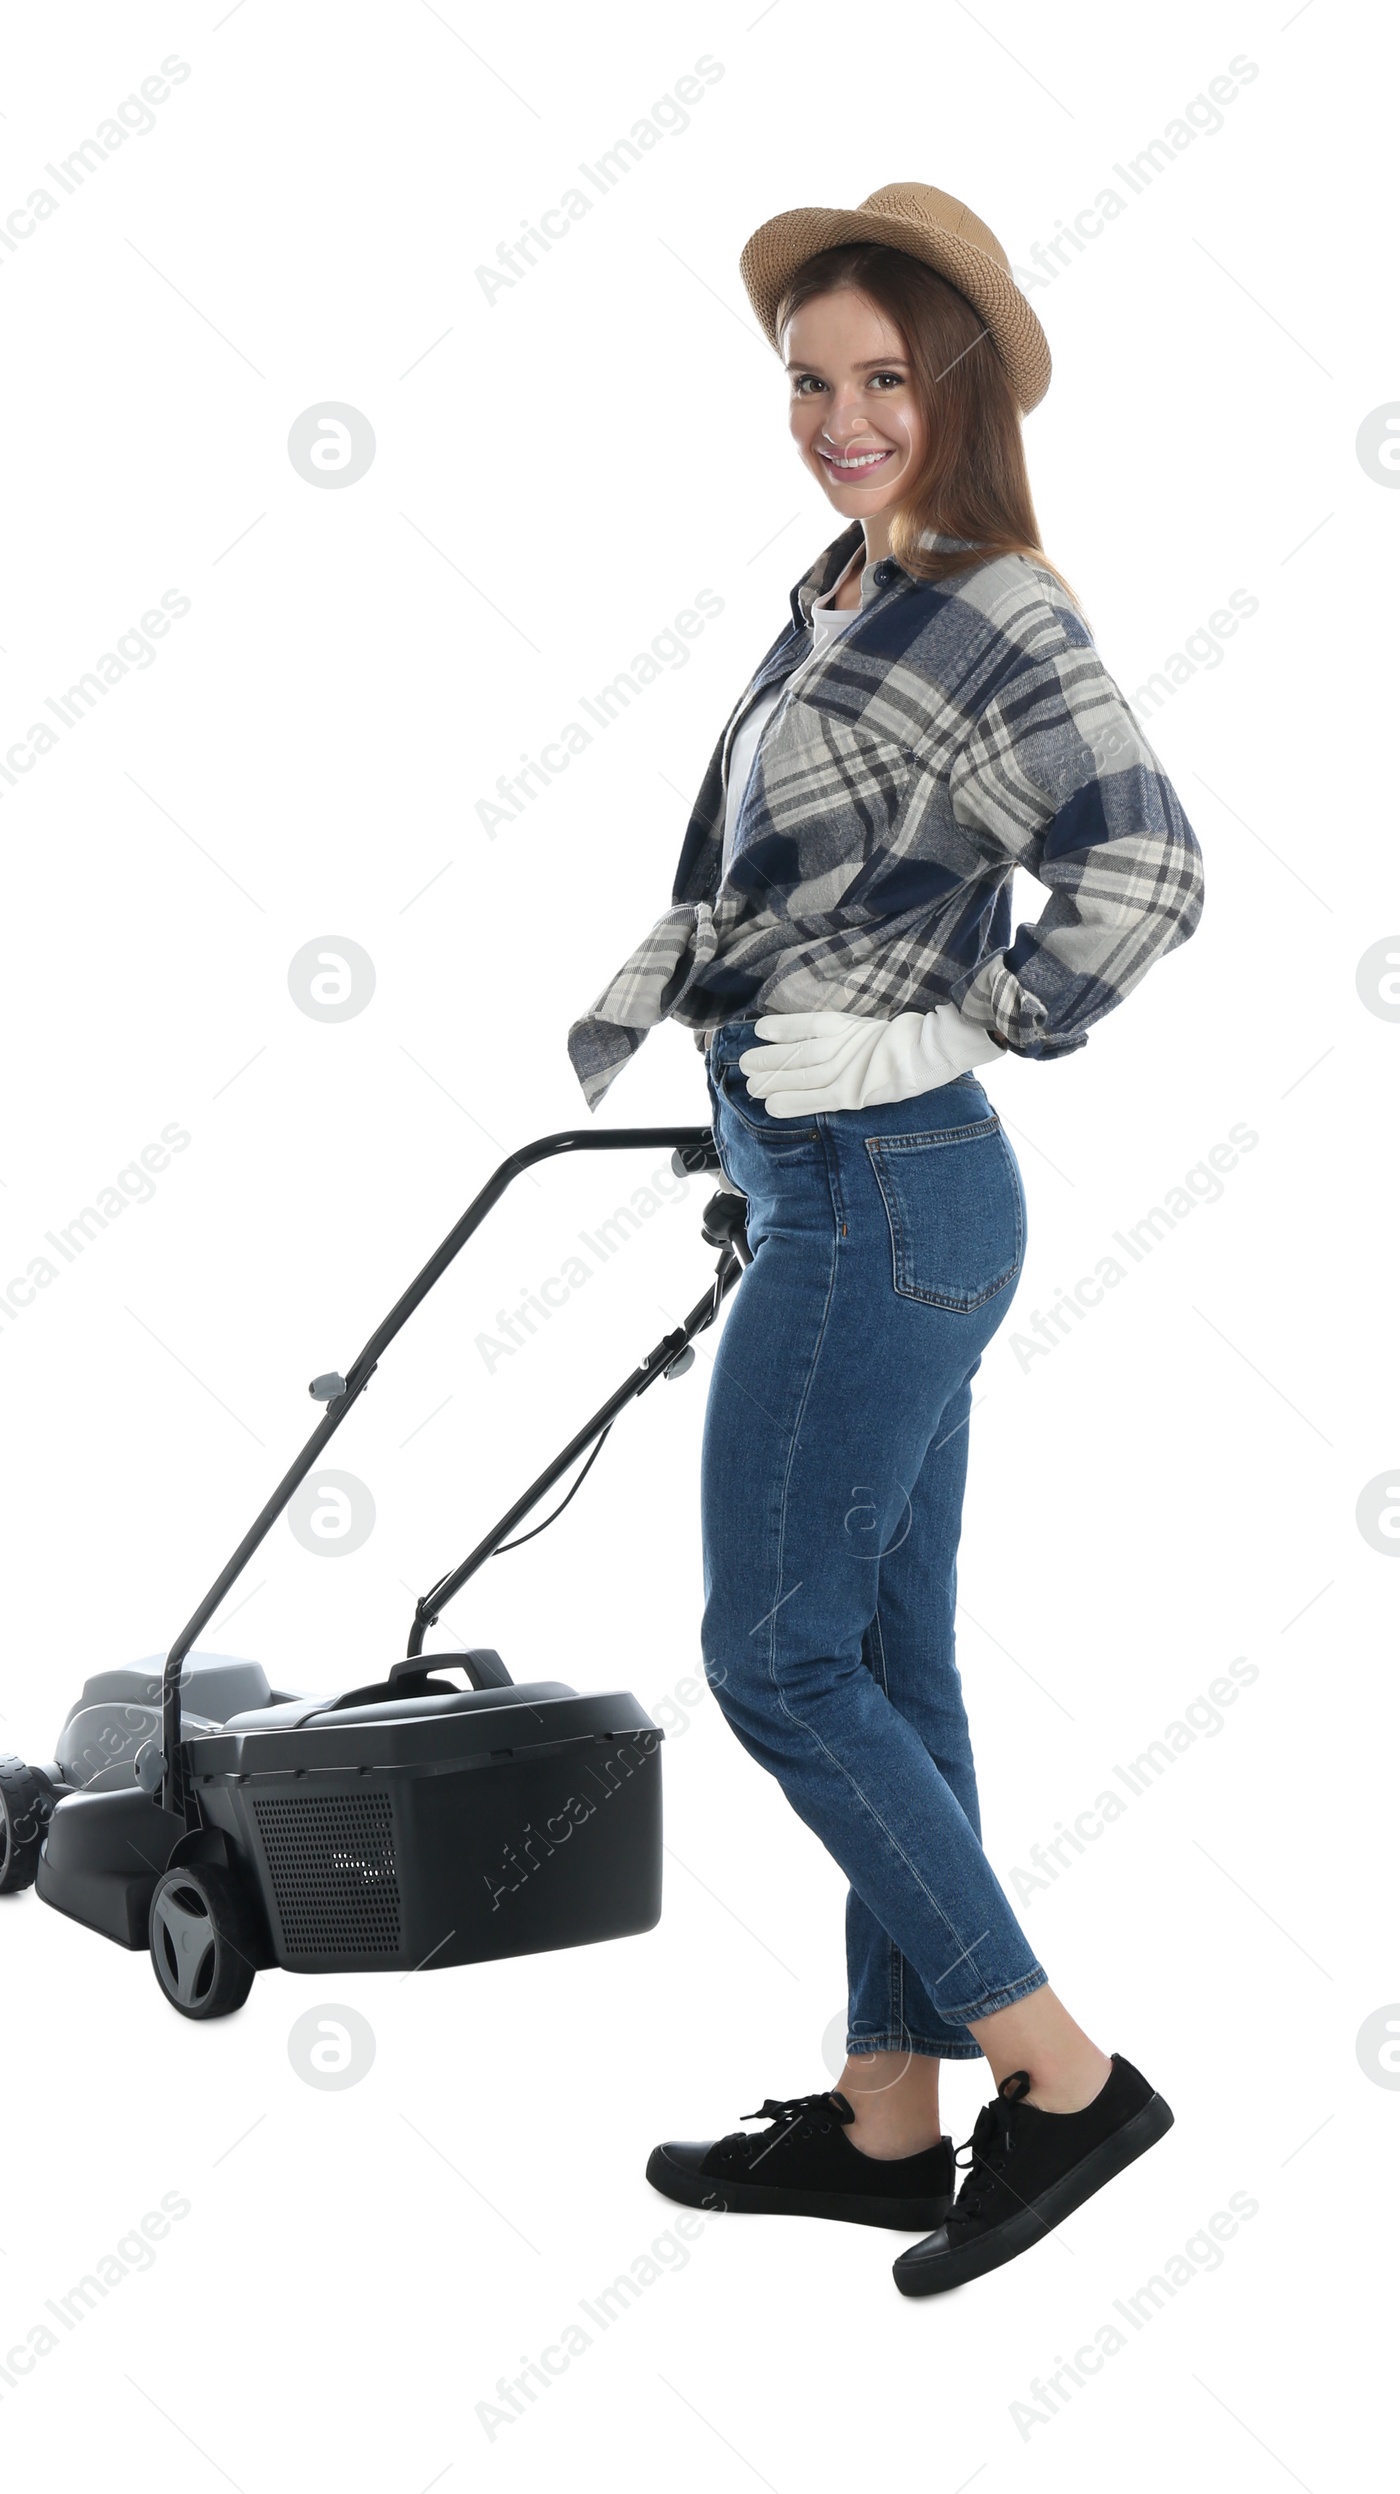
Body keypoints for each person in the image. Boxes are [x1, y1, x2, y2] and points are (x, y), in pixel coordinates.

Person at [567, 183, 1203, 2296]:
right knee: (882, 1664)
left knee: (773, 1658)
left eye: (878, 381)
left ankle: (1055, 2071)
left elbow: (1142, 872)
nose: (839, 415)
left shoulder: (993, 603)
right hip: (843, 1189)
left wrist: (971, 1014)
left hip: (891, 1188)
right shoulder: (838, 589)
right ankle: (879, 2115)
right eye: (807, 381)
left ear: (956, 393)